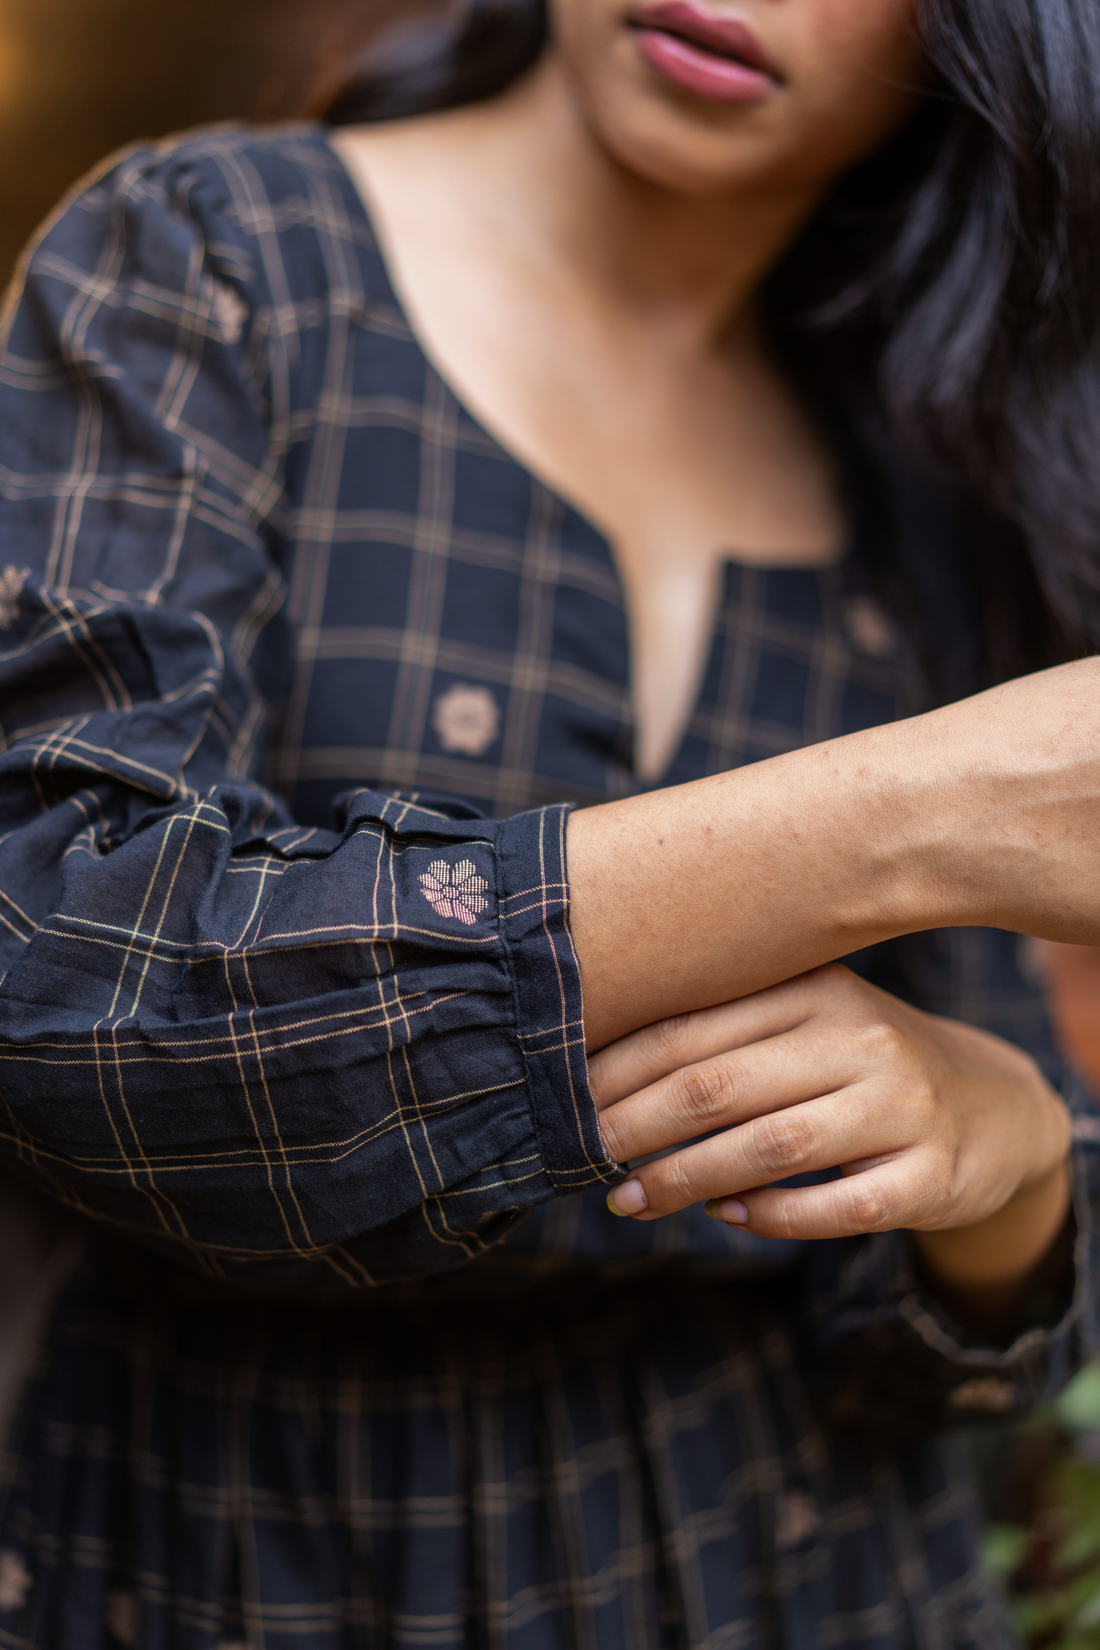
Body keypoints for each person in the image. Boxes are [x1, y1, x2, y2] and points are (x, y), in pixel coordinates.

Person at [1, 0, 1100, 1642]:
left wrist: (1009, 1157)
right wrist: (905, 817)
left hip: (834, 1574)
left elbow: (937, 1358)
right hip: (249, 1561)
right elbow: (72, 985)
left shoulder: (937, 455)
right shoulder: (215, 256)